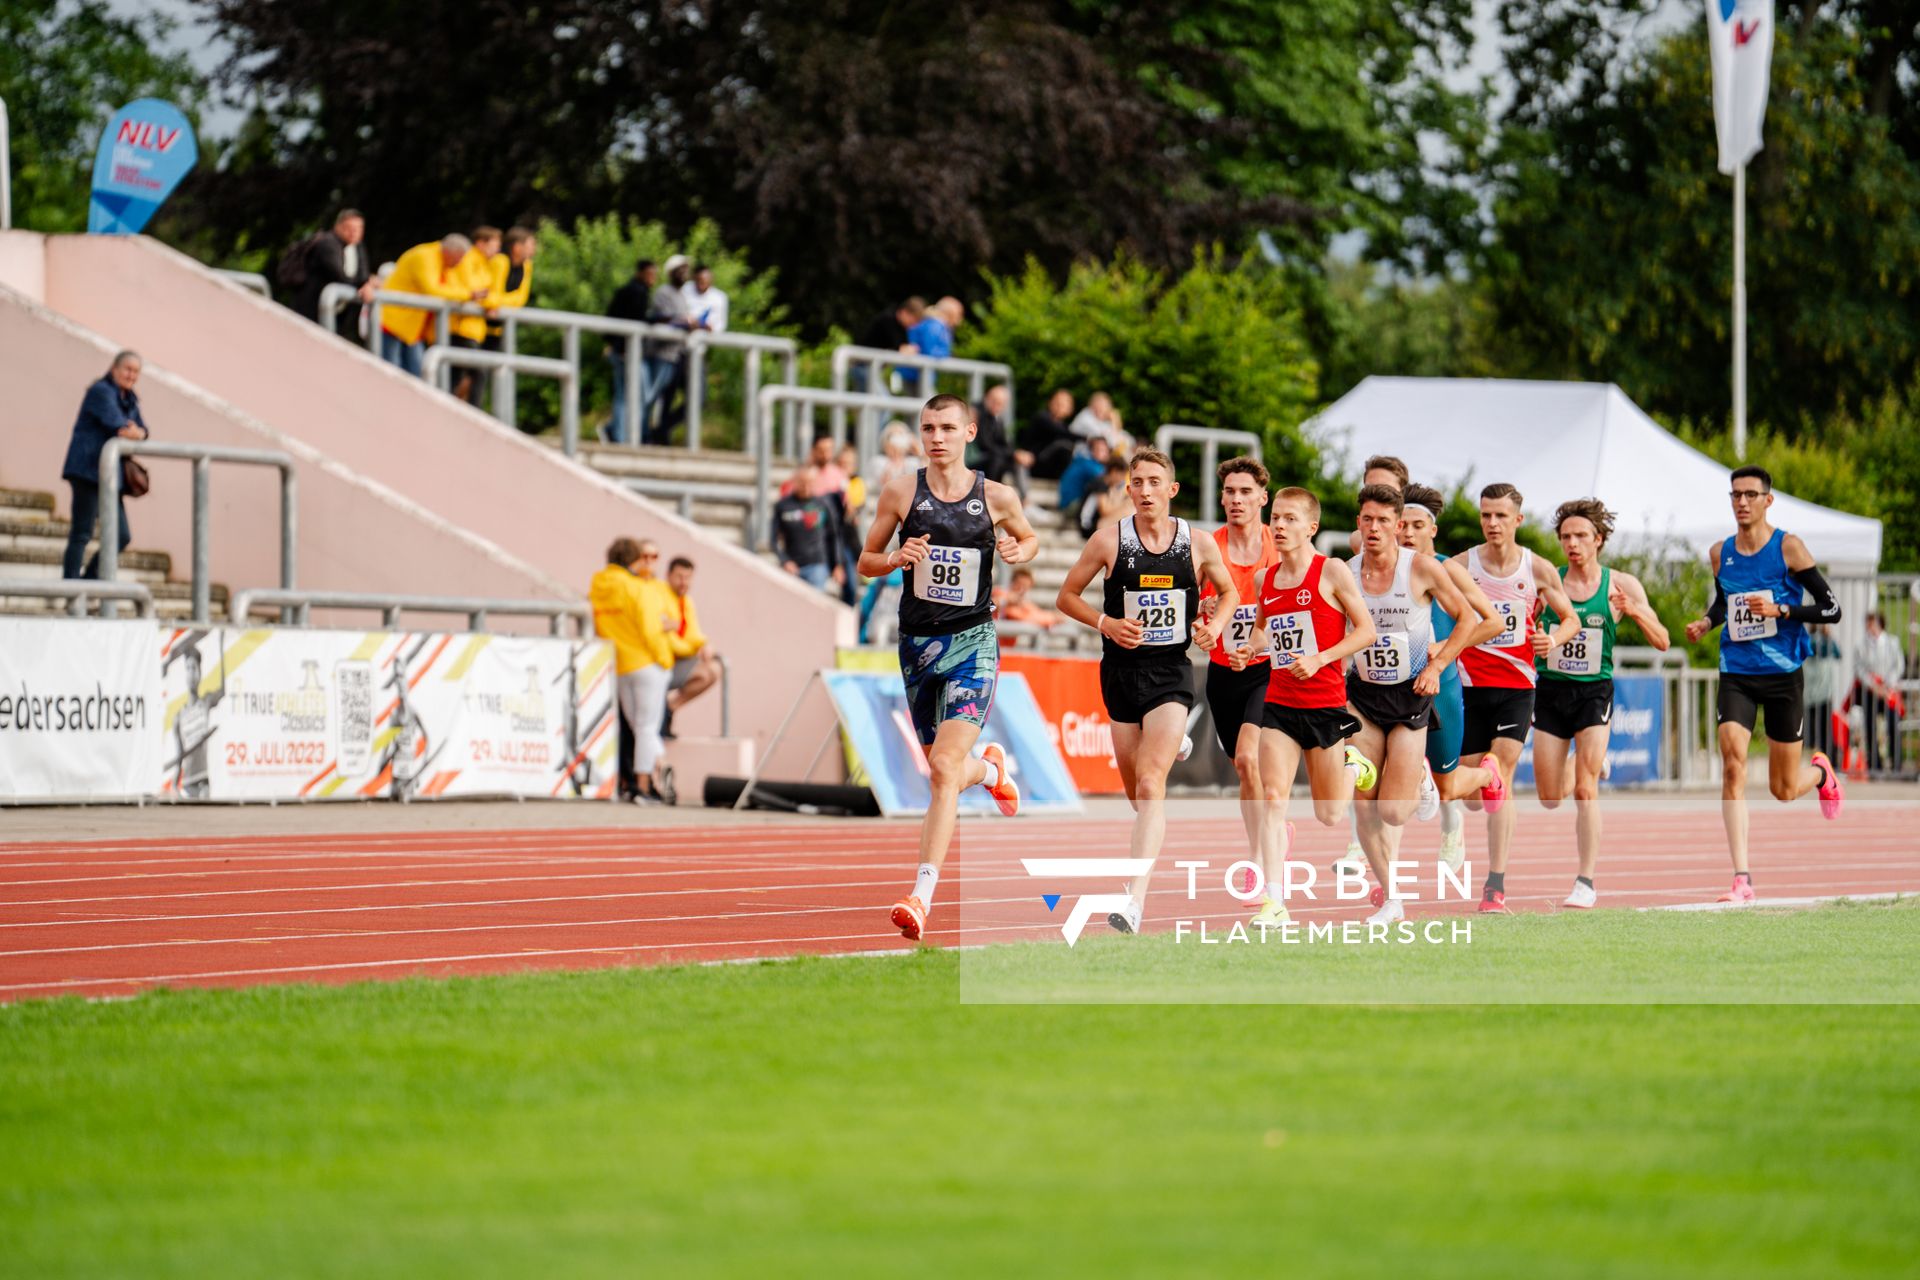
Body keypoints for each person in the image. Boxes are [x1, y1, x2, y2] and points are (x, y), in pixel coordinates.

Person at [858, 393, 1038, 940]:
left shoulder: (997, 496)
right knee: (944, 767)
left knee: (940, 772)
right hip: (917, 646)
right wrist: (894, 559)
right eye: (928, 428)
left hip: (974, 643)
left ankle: (922, 894)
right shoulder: (900, 491)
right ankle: (990, 771)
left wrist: (1017, 552)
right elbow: (865, 561)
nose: (936, 437)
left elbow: (1030, 539)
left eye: (947, 428)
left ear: (969, 432)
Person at [1054, 447, 1236, 935]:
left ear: (1172, 490)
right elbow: (1065, 596)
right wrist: (1106, 622)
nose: (1146, 490)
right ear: (1128, 489)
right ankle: (1172, 739)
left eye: (1156, 482)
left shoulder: (1196, 544)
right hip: (1120, 673)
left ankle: (1134, 901)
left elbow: (1231, 592)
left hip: (1170, 672)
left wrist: (1214, 624)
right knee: (1138, 797)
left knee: (1154, 785)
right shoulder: (1108, 541)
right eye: (1138, 482)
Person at [1683, 465, 1845, 901]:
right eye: (1735, 495)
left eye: (1750, 495)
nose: (1741, 502)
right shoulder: (1720, 552)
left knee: (1783, 790)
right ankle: (1742, 878)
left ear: (1767, 500)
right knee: (1732, 763)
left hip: (1782, 674)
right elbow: (1725, 603)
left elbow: (1832, 609)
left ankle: (1820, 772)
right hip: (1736, 671)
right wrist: (1706, 621)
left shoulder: (1788, 547)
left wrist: (1783, 612)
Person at [1230, 486, 1378, 926]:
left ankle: (1354, 765)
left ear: (1311, 527)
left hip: (1326, 705)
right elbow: (1263, 632)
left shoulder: (1330, 571)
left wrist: (1320, 658)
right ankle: (1275, 903)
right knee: (1272, 797)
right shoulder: (1266, 580)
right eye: (1275, 517)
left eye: (1290, 519)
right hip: (1279, 703)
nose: (1279, 526)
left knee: (1330, 814)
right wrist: (1248, 650)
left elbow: (1366, 631)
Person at [1344, 484, 1483, 925]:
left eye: (1383, 521)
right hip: (1363, 695)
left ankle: (1422, 776)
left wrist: (1437, 664)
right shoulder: (1344, 572)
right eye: (1366, 519)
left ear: (1398, 526)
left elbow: (1469, 618)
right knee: (1363, 800)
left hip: (1412, 695)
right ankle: (1392, 897)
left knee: (1393, 810)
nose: (1373, 528)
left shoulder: (1420, 569)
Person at [1532, 499, 1670, 909]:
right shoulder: (1547, 581)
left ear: (1599, 540)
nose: (1572, 544)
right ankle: (1591, 762)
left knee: (1584, 791)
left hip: (1595, 692)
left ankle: (1585, 881)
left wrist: (1634, 612)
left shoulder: (1619, 585)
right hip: (1552, 690)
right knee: (1550, 795)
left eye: (1580, 536)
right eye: (1565, 537)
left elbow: (1662, 640)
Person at [1455, 483, 1581, 913]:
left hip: (1516, 686)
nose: (1492, 524)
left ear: (1517, 520)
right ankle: (1486, 775)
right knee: (1472, 798)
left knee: (1502, 773)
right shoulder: (1462, 565)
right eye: (1486, 515)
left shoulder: (1539, 569)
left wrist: (1553, 641)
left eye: (1501, 516)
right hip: (1469, 687)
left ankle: (1495, 885)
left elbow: (1571, 619)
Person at [1394, 484, 1505, 875]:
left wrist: (1441, 650)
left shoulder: (1448, 569)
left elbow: (1492, 621)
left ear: (1433, 530)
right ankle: (1381, 872)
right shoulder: (1382, 568)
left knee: (1447, 787)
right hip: (1393, 689)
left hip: (1441, 686)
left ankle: (1484, 779)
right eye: (1402, 524)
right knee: (1389, 782)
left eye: (1417, 525)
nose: (1408, 533)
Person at [589, 537, 673, 804]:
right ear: (633, 560)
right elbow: (650, 629)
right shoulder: (637, 587)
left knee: (639, 728)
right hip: (646, 663)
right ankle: (643, 787)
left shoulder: (597, 584)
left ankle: (651, 778)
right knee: (647, 728)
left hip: (619, 664)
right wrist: (664, 660)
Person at [62, 351, 150, 580]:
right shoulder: (101, 391)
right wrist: (132, 432)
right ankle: (71, 586)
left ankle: (88, 582)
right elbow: (118, 425)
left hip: (110, 477)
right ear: (114, 368)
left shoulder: (130, 398)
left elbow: (143, 431)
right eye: (127, 369)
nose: (131, 375)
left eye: (136, 371)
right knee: (82, 532)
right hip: (87, 470)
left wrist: (135, 433)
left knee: (121, 535)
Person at [379, 234, 481, 377]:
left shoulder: (443, 262)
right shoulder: (425, 257)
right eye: (459, 258)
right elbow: (432, 290)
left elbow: (454, 287)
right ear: (449, 252)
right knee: (391, 372)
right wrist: (468, 295)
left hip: (412, 328)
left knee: (416, 372)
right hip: (393, 322)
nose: (460, 263)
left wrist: (469, 294)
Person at [644, 255, 705, 444]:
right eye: (680, 270)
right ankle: (644, 434)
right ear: (671, 273)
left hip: (678, 354)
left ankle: (660, 432)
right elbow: (664, 318)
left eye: (686, 270)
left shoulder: (682, 295)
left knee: (687, 397)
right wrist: (685, 323)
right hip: (662, 354)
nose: (685, 274)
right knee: (653, 396)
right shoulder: (663, 293)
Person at [661, 556, 720, 739]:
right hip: (661, 662)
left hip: (675, 661)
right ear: (668, 575)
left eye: (688, 577)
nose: (683, 582)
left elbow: (693, 633)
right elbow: (669, 642)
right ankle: (665, 712)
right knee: (706, 671)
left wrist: (704, 644)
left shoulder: (686, 601)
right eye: (679, 576)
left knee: (713, 670)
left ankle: (670, 709)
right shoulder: (660, 598)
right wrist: (693, 649)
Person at [290, 209, 375, 336]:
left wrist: (366, 283)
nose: (354, 233)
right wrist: (363, 284)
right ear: (338, 226)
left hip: (336, 312)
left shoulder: (357, 246)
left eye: (358, 229)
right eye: (349, 228)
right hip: (311, 309)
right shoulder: (327, 243)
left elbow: (363, 273)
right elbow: (339, 276)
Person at [448, 226, 503, 404]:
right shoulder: (468, 259)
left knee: (456, 376)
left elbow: (492, 293)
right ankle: (475, 414)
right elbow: (473, 290)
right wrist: (488, 301)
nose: (498, 249)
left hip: (473, 329)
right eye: (494, 244)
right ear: (480, 243)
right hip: (460, 327)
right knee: (478, 371)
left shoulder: (486, 264)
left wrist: (489, 300)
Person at [604, 259, 657, 445]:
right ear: (641, 273)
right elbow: (638, 318)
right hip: (626, 351)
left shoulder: (628, 290)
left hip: (620, 348)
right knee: (633, 394)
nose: (653, 279)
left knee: (623, 393)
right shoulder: (638, 292)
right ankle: (623, 435)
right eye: (650, 274)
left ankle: (617, 432)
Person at [773, 466, 844, 594]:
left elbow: (833, 536)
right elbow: (773, 539)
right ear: (795, 482)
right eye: (802, 483)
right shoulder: (783, 505)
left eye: (809, 483)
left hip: (817, 565)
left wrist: (837, 564)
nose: (806, 487)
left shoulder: (822, 505)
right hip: (793, 566)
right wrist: (785, 561)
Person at [1855, 612, 1905, 774]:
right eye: (1868, 624)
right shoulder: (1861, 645)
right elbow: (1860, 669)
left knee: (1893, 725)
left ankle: (1897, 764)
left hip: (1889, 691)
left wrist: (1888, 684)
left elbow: (1898, 666)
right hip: (1871, 692)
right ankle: (1875, 765)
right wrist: (1873, 685)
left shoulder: (1892, 642)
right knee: (1870, 727)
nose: (1870, 628)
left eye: (1873, 624)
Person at [482, 226, 537, 366]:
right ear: (517, 247)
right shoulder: (500, 261)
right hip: (481, 324)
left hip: (499, 326)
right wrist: (501, 301)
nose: (534, 249)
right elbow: (492, 295)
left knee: (484, 372)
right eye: (531, 244)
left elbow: (521, 299)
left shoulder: (527, 266)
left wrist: (500, 302)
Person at [851, 297, 926, 393]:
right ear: (904, 312)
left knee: (871, 405)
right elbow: (900, 348)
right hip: (863, 366)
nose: (913, 324)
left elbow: (904, 347)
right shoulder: (888, 319)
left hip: (871, 368)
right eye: (914, 320)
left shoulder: (902, 326)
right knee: (883, 404)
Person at [1803, 624, 1844, 760]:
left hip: (1823, 692)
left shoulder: (1823, 640)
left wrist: (1828, 637)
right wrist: (1827, 638)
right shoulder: (1808, 639)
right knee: (1812, 732)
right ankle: (1818, 760)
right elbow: (1816, 651)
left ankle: (1829, 761)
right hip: (1810, 694)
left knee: (1824, 731)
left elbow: (1838, 654)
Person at [1021, 389, 1078, 481]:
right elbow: (1060, 432)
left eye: (1063, 405)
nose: (1059, 407)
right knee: (1064, 450)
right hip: (1033, 465)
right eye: (1057, 403)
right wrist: (1087, 438)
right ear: (1050, 403)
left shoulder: (1064, 427)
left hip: (1050, 467)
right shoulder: (1042, 418)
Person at [906, 297, 962, 391]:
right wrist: (947, 354)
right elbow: (929, 351)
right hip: (917, 375)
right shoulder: (935, 325)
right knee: (930, 404)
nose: (959, 320)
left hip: (919, 374)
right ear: (950, 313)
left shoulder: (933, 323)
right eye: (959, 314)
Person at [971, 383, 1019, 491]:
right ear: (987, 398)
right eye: (995, 402)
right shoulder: (978, 413)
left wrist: (1014, 453)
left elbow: (1003, 442)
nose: (997, 406)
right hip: (975, 457)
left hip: (990, 456)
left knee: (1015, 460)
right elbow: (984, 443)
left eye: (1001, 404)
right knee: (997, 458)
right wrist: (1010, 453)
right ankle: (991, 492)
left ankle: (1024, 498)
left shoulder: (996, 418)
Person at [1056, 435, 1111, 514]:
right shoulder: (1090, 465)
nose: (1105, 453)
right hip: (1071, 506)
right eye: (1100, 450)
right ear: (1092, 451)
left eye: (1106, 450)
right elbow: (1108, 481)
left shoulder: (1082, 460)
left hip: (1067, 504)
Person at [1080, 456, 1132, 537]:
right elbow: (1105, 511)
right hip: (1088, 526)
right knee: (1127, 511)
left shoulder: (1110, 485)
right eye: (1122, 475)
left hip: (1098, 524)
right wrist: (1124, 504)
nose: (1122, 479)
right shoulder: (1101, 483)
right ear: (1114, 471)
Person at [994, 567, 1059, 629]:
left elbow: (1035, 612)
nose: (1021, 590)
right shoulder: (999, 593)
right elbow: (1021, 616)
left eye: (1025, 587)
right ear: (1012, 582)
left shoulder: (1021, 602)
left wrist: (1052, 617)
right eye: (1019, 585)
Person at [681, 264, 729, 333]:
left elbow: (721, 324)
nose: (701, 284)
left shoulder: (720, 297)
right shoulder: (685, 288)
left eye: (704, 281)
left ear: (711, 280)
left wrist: (710, 328)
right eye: (699, 280)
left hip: (706, 336)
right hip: (683, 331)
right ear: (694, 278)